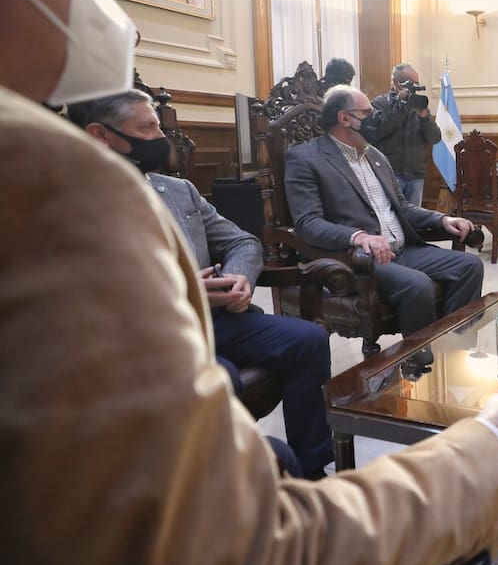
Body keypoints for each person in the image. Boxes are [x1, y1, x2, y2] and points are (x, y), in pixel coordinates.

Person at [0, 0, 498, 565]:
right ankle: (420, 408)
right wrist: (494, 455)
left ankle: (443, 381)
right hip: (352, 270)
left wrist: (437, 217)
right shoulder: (51, 180)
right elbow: (248, 560)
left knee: (454, 275)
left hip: (332, 277)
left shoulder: (363, 154)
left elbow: (245, 233)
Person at [70, 89, 336, 480]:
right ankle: (217, 485)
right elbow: (87, 293)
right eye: (148, 128)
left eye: (159, 125)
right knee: (220, 375)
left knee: (308, 341)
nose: (160, 137)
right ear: (100, 134)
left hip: (218, 318)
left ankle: (310, 471)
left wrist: (240, 277)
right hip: (146, 332)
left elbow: (242, 241)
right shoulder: (73, 203)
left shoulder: (178, 191)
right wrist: (181, 286)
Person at [285, 86, 485, 337]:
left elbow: (401, 206)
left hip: (402, 250)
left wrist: (442, 219)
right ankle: (418, 364)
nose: (377, 117)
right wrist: (358, 236)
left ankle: (454, 349)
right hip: (356, 259)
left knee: (470, 266)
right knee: (418, 285)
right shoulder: (306, 158)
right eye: (368, 113)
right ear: (344, 117)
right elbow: (307, 222)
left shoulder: (376, 155)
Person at [365, 62, 441, 207]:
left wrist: (424, 117)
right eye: (409, 83)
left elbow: (435, 138)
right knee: (390, 217)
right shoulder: (379, 104)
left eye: (416, 84)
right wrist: (399, 107)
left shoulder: (418, 105)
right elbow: (378, 133)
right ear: (395, 82)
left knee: (414, 220)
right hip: (389, 174)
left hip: (416, 175)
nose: (413, 88)